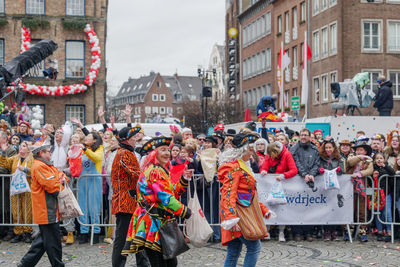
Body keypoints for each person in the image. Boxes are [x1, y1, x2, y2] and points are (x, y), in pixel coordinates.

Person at [122, 137, 192, 267]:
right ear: (154, 153)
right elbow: (165, 197)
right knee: (160, 262)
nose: (167, 153)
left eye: (168, 150)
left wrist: (184, 179)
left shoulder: (161, 170)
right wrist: (185, 212)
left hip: (160, 222)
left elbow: (172, 193)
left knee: (169, 261)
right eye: (163, 150)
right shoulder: (155, 172)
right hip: (152, 223)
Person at [218, 133, 271, 267]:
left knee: (234, 250)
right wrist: (230, 218)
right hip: (238, 215)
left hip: (239, 213)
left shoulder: (242, 166)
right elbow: (228, 194)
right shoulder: (235, 168)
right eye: (250, 150)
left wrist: (263, 210)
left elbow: (248, 195)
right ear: (242, 151)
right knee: (254, 247)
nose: (252, 154)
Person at [17, 145, 68, 267]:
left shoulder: (46, 165)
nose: (50, 154)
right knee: (53, 241)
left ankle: (25, 264)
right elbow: (52, 186)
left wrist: (62, 180)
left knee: (43, 241)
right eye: (48, 152)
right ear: (41, 153)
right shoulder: (40, 166)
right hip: (46, 209)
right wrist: (62, 184)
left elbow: (61, 174)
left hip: (49, 209)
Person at [111, 126, 150, 267]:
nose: (136, 139)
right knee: (122, 240)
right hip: (125, 203)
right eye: (133, 137)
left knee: (139, 235)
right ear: (127, 139)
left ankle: (144, 263)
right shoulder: (124, 153)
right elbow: (136, 173)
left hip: (132, 202)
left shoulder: (128, 152)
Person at [260, 142, 298, 242]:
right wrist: (264, 171)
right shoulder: (269, 155)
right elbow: (265, 166)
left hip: (282, 184)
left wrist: (283, 175)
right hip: (270, 185)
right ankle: (267, 230)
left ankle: (281, 232)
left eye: (272, 155)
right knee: (268, 207)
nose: (271, 157)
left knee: (282, 209)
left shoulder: (287, 154)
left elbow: (294, 170)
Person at [0, 141, 34, 243]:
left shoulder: (32, 159)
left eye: (24, 146)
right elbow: (5, 163)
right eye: (21, 146)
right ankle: (18, 232)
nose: (21, 148)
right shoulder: (15, 158)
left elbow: (35, 171)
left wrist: (26, 169)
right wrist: (3, 152)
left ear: (28, 149)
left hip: (27, 188)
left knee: (27, 210)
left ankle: (27, 232)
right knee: (16, 210)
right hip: (15, 188)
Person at [290, 128, 320, 241]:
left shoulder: (315, 149)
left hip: (310, 181)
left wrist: (311, 174)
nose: (303, 137)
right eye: (301, 135)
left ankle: (309, 232)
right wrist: (304, 174)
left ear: (309, 137)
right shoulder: (294, 148)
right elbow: (295, 162)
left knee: (309, 208)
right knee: (296, 207)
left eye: (305, 135)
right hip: (297, 180)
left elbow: (317, 163)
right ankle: (297, 232)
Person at [78, 132, 104, 244]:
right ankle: (84, 232)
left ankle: (95, 232)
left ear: (94, 140)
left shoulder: (99, 149)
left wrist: (84, 149)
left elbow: (96, 158)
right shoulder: (82, 151)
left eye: (88, 137)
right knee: (82, 208)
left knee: (94, 208)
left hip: (94, 181)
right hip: (82, 182)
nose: (86, 138)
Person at [346, 136, 374, 242]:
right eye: (357, 149)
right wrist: (360, 157)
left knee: (362, 211)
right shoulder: (352, 157)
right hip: (349, 188)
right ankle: (349, 231)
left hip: (362, 188)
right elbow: (350, 162)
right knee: (350, 209)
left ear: (365, 150)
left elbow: (370, 170)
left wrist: (359, 173)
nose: (359, 151)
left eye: (361, 150)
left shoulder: (369, 160)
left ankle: (362, 231)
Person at [318, 139, 344, 241]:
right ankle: (327, 231)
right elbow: (317, 168)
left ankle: (334, 231)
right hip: (324, 188)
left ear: (334, 148)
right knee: (326, 209)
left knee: (334, 209)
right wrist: (319, 170)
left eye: (330, 147)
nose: (328, 149)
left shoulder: (338, 158)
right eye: (326, 148)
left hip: (334, 189)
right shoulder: (321, 158)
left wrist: (339, 170)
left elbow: (343, 170)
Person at [372, 153, 395, 242]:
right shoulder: (373, 168)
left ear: (384, 160)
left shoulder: (386, 167)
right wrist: (373, 176)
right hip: (376, 194)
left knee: (387, 213)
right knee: (378, 213)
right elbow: (370, 180)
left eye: (381, 158)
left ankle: (389, 232)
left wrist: (385, 166)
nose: (379, 160)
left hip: (386, 193)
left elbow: (392, 173)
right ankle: (380, 232)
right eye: (377, 158)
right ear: (374, 160)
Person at [0, 131, 16, 241]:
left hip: (6, 184)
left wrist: (4, 153)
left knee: (7, 207)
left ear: (4, 139)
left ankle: (10, 231)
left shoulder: (11, 150)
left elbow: (7, 167)